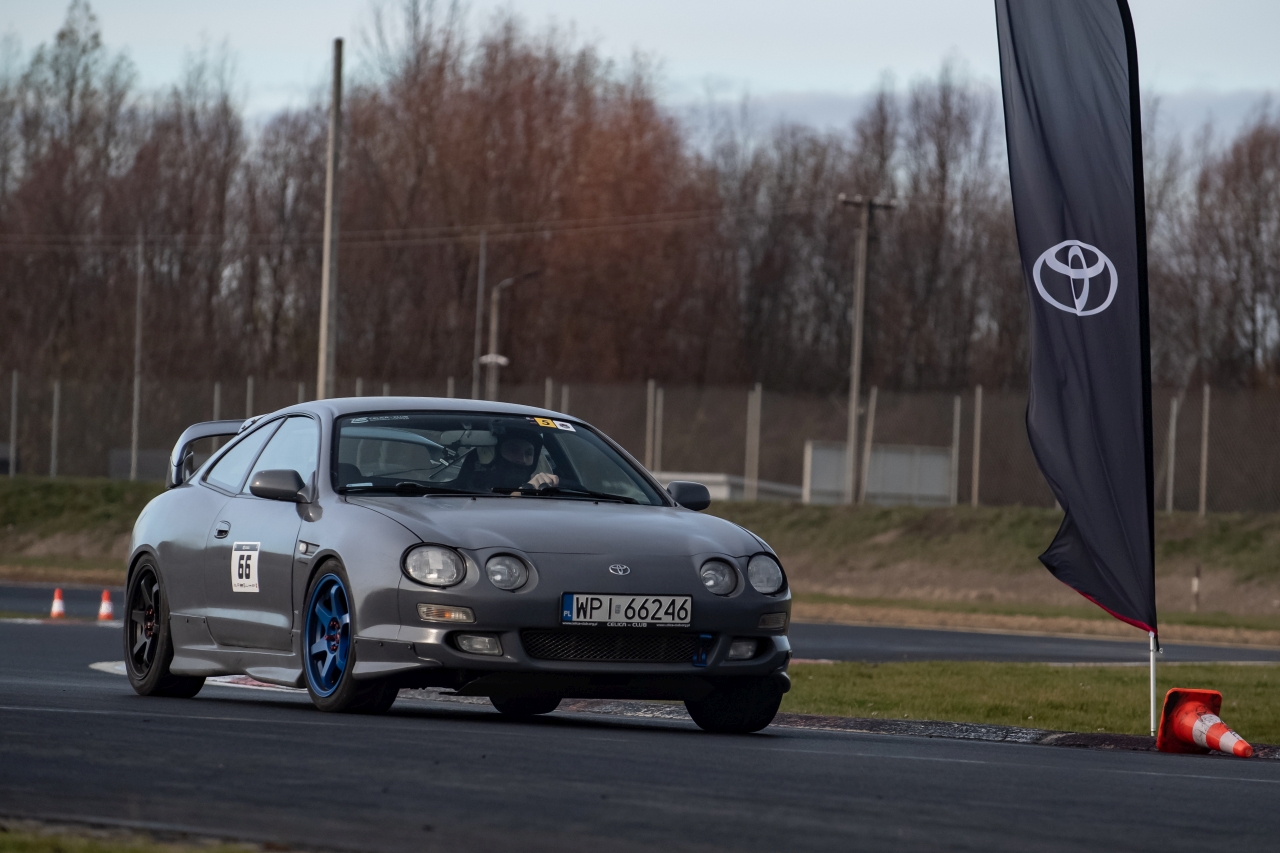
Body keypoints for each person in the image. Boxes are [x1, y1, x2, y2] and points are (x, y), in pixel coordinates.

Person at [466, 432, 559, 493]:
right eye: (513, 451)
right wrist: (522, 493)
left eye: (528, 454)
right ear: (494, 454)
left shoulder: (541, 489)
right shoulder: (472, 490)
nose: (522, 460)